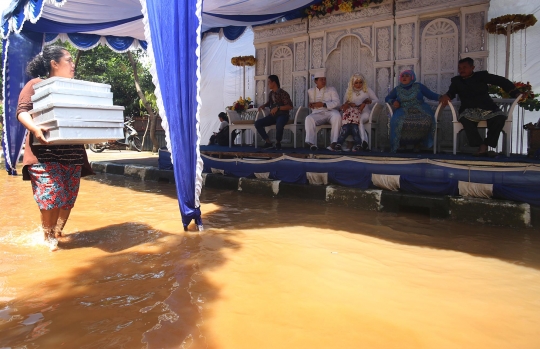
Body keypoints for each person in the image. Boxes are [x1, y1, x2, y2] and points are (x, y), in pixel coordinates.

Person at [16, 45, 94, 251]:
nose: (73, 64)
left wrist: (105, 134)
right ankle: (47, 236)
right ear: (54, 64)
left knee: (67, 198)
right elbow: (22, 111)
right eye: (68, 60)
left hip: (72, 154)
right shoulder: (36, 85)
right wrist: (34, 127)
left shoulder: (75, 88)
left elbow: (85, 118)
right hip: (44, 153)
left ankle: (57, 232)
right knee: (52, 194)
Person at [440, 57, 521, 156]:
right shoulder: (457, 81)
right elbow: (451, 93)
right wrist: (446, 96)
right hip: (469, 109)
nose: (461, 70)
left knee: (500, 118)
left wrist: (516, 93)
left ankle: (486, 144)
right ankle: (480, 145)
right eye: (459, 68)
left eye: (464, 67)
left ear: (472, 67)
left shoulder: (481, 76)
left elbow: (501, 81)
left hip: (488, 108)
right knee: (465, 119)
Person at [385, 70, 441, 153]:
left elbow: (431, 95)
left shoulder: (419, 86)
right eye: (402, 76)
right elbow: (387, 98)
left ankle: (417, 144)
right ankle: (402, 144)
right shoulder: (397, 89)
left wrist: (441, 97)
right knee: (397, 121)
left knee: (427, 120)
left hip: (420, 110)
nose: (404, 77)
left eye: (407, 75)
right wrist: (393, 102)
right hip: (403, 110)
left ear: (412, 77)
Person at [335, 73, 379, 151]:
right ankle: (350, 143)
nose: (359, 84)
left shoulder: (367, 89)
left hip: (365, 113)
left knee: (359, 120)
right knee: (348, 122)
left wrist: (368, 101)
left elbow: (377, 100)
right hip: (352, 114)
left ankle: (363, 142)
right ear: (353, 83)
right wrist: (349, 104)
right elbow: (345, 103)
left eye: (360, 82)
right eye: (356, 83)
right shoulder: (349, 91)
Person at [305, 72, 341, 151]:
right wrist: (312, 105)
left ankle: (333, 143)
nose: (324, 81)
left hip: (330, 112)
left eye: (325, 79)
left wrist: (324, 104)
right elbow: (311, 104)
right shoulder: (310, 91)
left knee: (337, 116)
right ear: (316, 81)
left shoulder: (331, 89)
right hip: (317, 113)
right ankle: (312, 144)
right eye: (321, 80)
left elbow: (337, 103)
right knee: (308, 118)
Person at [255, 75, 293, 150]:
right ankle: (268, 142)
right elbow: (269, 102)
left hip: (283, 115)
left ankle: (278, 142)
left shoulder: (283, 93)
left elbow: (290, 106)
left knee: (279, 124)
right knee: (257, 123)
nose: (268, 84)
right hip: (273, 116)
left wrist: (278, 108)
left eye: (269, 82)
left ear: (274, 82)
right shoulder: (271, 94)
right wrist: (264, 105)